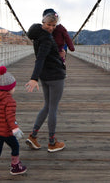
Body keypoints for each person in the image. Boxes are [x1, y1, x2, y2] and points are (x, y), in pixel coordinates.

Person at [24, 10, 66, 153]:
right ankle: (52, 142)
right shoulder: (47, 39)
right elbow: (40, 58)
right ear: (43, 22)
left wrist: (58, 54)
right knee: (53, 108)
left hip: (45, 76)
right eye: (49, 24)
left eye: (54, 25)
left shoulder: (37, 35)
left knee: (47, 106)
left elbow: (44, 56)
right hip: (55, 76)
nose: (51, 28)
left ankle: (33, 136)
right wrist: (33, 78)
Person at [0, 66, 27, 181]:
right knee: (15, 146)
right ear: (9, 88)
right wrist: (15, 129)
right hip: (6, 131)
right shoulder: (10, 101)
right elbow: (10, 117)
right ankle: (15, 166)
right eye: (13, 87)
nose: (14, 89)